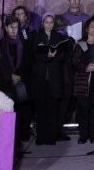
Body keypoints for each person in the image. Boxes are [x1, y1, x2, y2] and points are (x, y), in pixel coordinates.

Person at [29, 14, 72, 145]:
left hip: (54, 77)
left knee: (53, 108)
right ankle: (41, 137)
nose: (49, 24)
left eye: (51, 22)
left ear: (54, 23)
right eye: (46, 22)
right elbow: (35, 55)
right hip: (40, 77)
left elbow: (63, 55)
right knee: (41, 109)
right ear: (43, 23)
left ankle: (52, 137)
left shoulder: (59, 37)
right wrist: (48, 56)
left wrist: (54, 55)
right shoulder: (36, 36)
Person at [0, 18, 32, 144]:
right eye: (11, 27)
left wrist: (19, 76)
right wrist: (9, 76)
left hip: (22, 81)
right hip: (6, 83)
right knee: (9, 109)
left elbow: (28, 63)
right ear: (6, 28)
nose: (13, 30)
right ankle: (10, 137)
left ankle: (23, 134)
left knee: (23, 108)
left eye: (16, 27)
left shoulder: (25, 43)